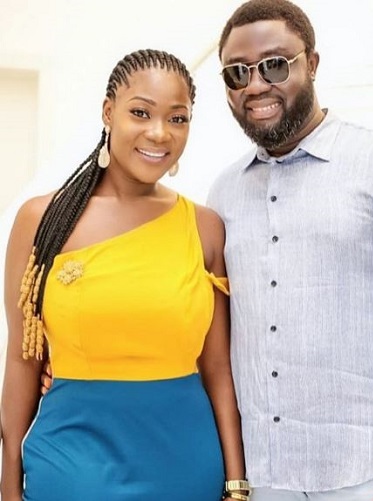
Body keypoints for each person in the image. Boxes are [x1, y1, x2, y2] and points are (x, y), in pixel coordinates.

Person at [206, 1, 373, 500]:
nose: (255, 85)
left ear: (311, 64)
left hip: (367, 477)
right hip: (263, 480)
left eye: (275, 65)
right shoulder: (224, 193)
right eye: (237, 73)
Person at [0, 48, 250, 501]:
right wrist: (9, 484)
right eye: (140, 112)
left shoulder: (204, 227)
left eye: (178, 118)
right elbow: (22, 359)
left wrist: (236, 484)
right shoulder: (41, 220)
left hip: (185, 468)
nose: (159, 132)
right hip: (71, 470)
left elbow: (217, 369)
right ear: (108, 112)